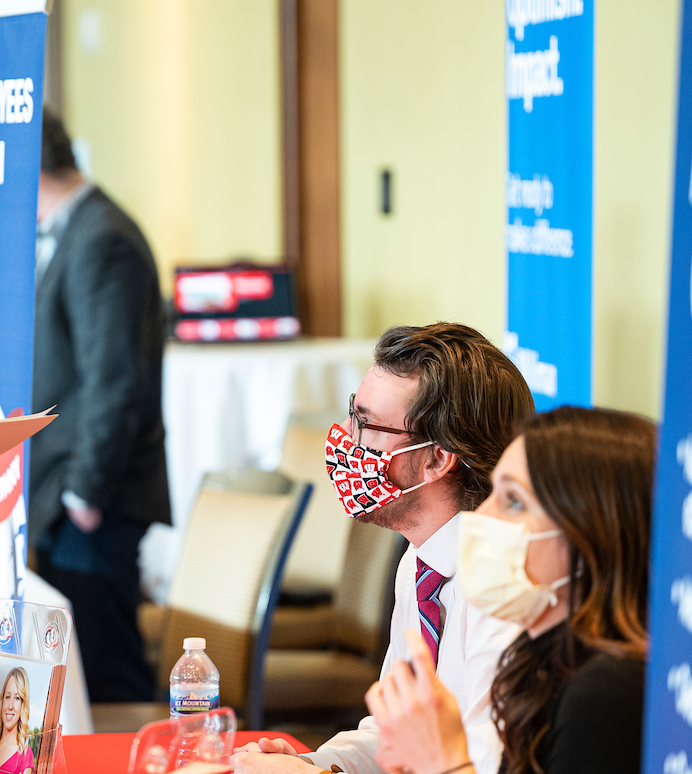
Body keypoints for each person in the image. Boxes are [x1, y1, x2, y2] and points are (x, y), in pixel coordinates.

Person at [233, 323, 534, 774]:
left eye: (368, 424)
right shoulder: (420, 561)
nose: (346, 440)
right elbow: (394, 735)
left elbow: (480, 765)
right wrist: (316, 765)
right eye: (352, 414)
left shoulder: (504, 592)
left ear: (437, 459)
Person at [362, 406, 652, 774]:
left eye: (514, 501)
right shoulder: (537, 660)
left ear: (592, 534)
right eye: (495, 493)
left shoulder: (607, 694)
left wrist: (446, 764)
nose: (483, 517)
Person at [30, 108, 171, 702]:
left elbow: (114, 381)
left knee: (107, 675)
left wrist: (84, 493)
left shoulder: (102, 238)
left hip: (92, 503)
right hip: (69, 498)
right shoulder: (78, 228)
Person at [0, 667, 35, 774]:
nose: (10, 706)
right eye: (7, 696)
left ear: (22, 705)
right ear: (2, 700)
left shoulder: (25, 755)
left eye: (17, 698)